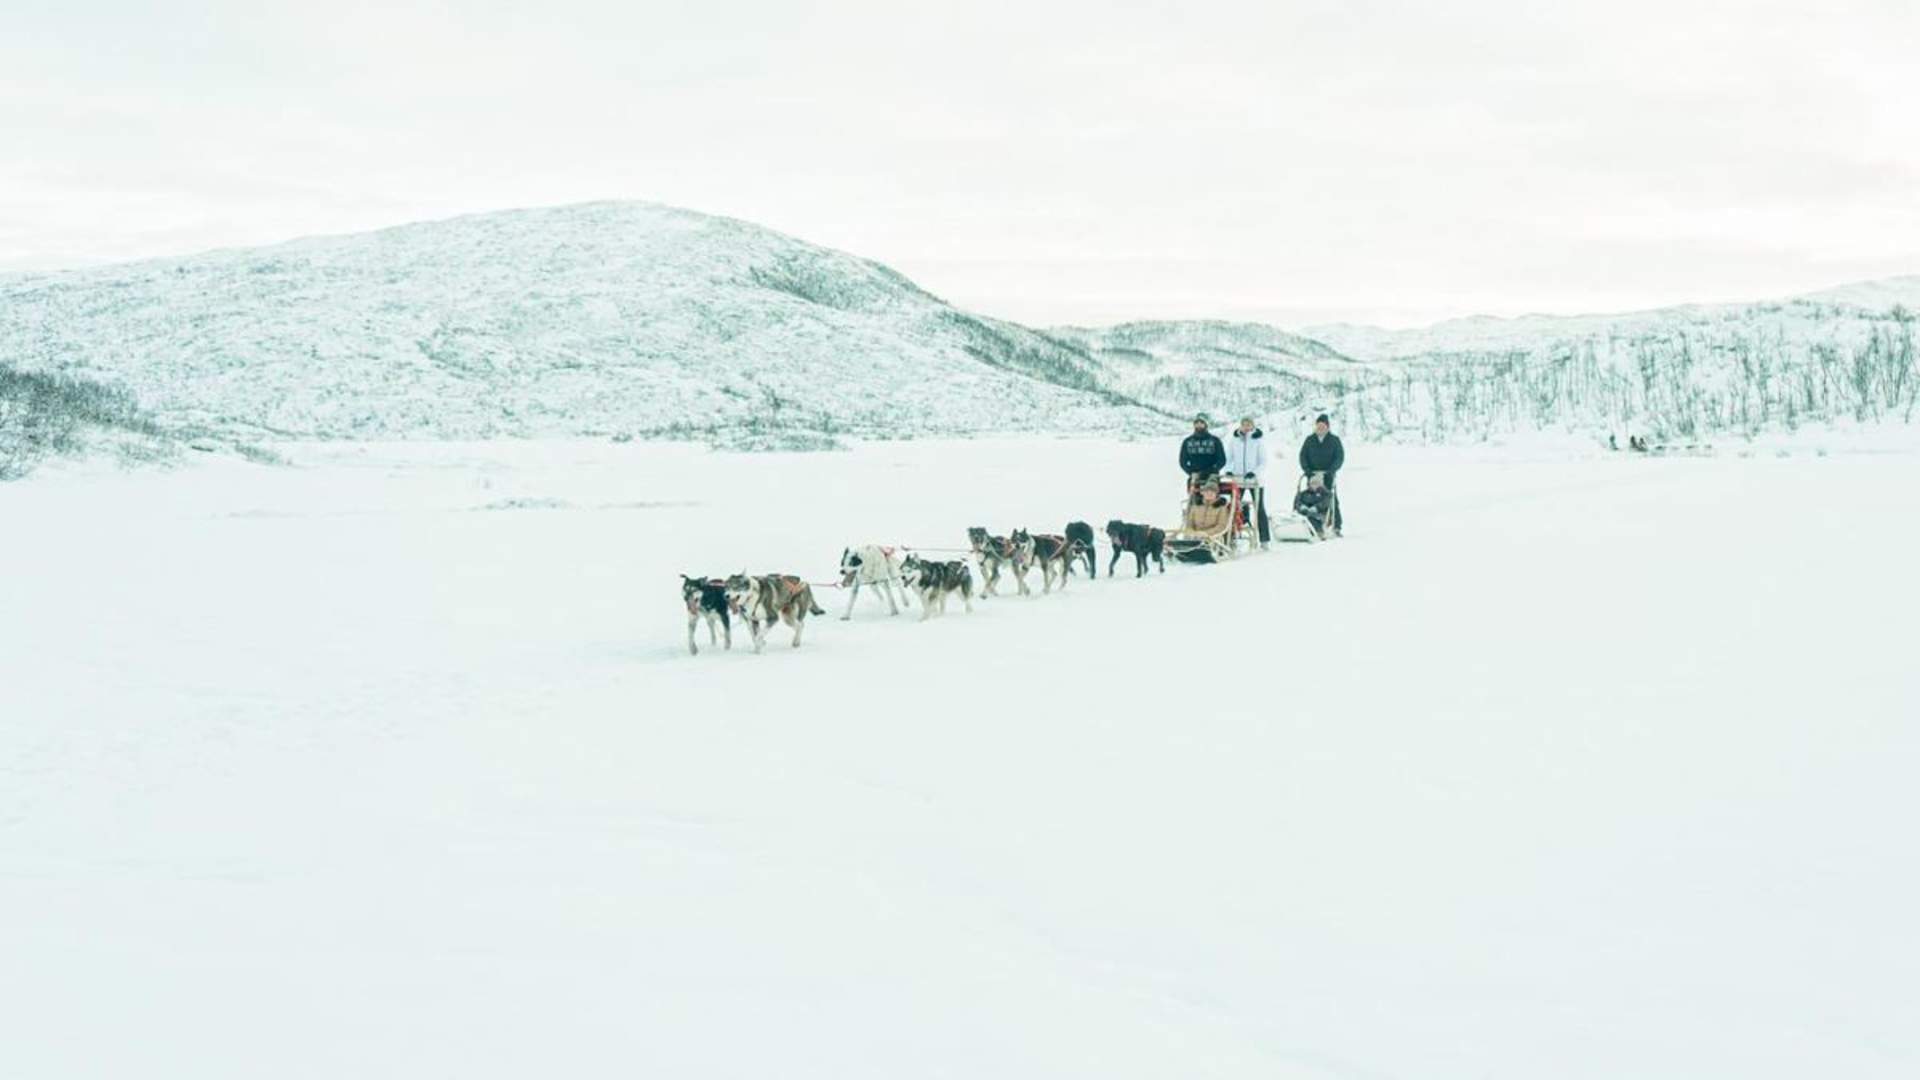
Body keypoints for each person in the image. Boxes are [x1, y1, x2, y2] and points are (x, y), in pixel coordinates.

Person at [1222, 415, 1270, 547]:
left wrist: (1254, 472)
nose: (1246, 427)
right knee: (1234, 507)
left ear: (1253, 426)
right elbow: (1229, 458)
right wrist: (1229, 470)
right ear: (1240, 425)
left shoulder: (1258, 441)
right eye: (1244, 424)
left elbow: (1263, 461)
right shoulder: (1234, 440)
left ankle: (1264, 539)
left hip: (1255, 480)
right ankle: (1231, 537)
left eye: (1249, 425)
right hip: (1238, 479)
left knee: (1259, 508)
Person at [1297, 413, 1345, 535]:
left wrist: (1332, 470)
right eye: (1318, 426)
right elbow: (1303, 456)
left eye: (1323, 426)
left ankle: (1336, 526)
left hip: (1327, 474)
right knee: (1310, 498)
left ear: (1327, 427)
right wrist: (1307, 471)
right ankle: (1311, 523)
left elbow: (1339, 457)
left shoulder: (1334, 440)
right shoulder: (1310, 440)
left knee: (1330, 498)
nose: (1320, 428)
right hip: (1312, 474)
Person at [1179, 413, 1225, 489]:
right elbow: (1183, 461)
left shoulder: (1215, 441)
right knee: (1194, 492)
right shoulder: (1187, 441)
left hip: (1212, 476)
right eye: (1197, 423)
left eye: (1201, 422)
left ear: (1206, 424)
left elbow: (1222, 460)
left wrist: (1213, 470)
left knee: (1210, 492)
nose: (1199, 425)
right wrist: (1191, 472)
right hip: (1195, 476)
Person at [1293, 473, 1333, 539]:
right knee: (1300, 517)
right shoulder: (1304, 494)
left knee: (1312, 518)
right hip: (1305, 512)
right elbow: (1298, 502)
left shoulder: (1326, 494)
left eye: (1316, 483)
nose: (1313, 485)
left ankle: (1319, 532)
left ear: (1320, 484)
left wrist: (1317, 507)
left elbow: (1326, 503)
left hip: (1319, 514)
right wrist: (1301, 506)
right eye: (1312, 483)